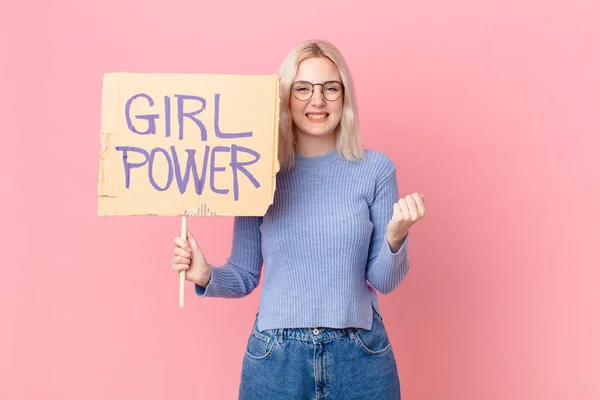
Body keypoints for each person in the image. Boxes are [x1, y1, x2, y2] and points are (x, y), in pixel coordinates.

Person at [171, 40, 425, 400]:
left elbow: (383, 280)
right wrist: (205, 274)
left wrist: (396, 238)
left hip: (360, 356)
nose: (317, 100)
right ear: (286, 98)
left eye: (329, 88)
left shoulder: (376, 171)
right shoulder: (257, 171)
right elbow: (243, 276)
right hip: (276, 359)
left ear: (344, 97)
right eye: (303, 88)